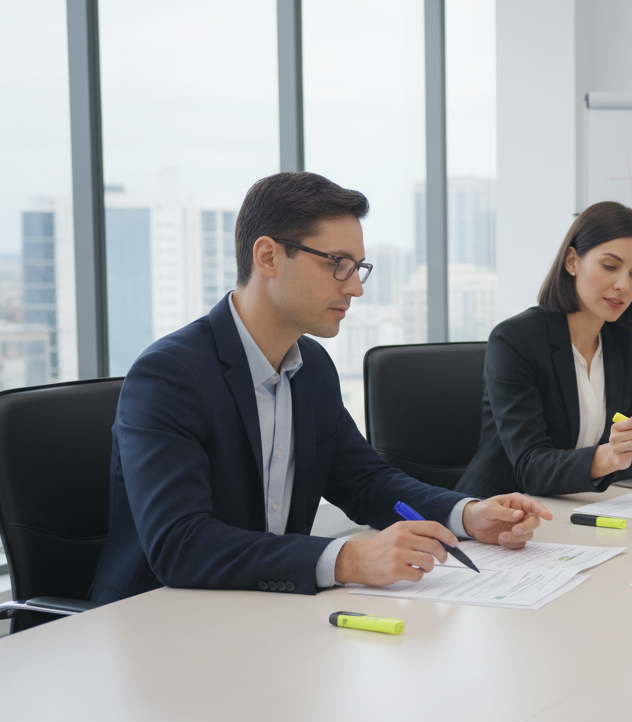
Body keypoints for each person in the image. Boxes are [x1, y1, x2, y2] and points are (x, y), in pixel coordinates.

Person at [91, 172, 552, 602]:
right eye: (338, 264)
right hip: (159, 622)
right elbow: (180, 544)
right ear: (268, 256)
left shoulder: (310, 366)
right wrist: (347, 558)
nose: (355, 288)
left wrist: (468, 516)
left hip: (265, 611)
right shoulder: (170, 375)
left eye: (358, 267)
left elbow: (367, 482)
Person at [455, 201, 632, 498]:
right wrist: (608, 457)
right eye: (610, 266)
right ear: (572, 261)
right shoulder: (515, 339)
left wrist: (622, 453)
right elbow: (530, 468)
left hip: (578, 506)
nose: (623, 285)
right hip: (501, 514)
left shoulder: (625, 339)